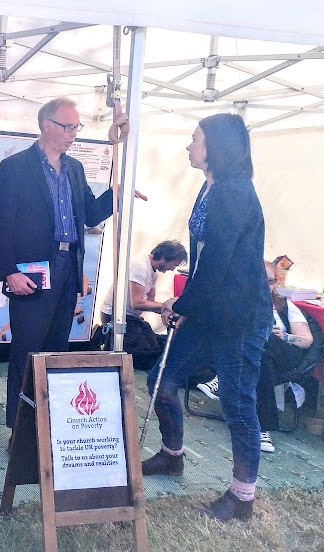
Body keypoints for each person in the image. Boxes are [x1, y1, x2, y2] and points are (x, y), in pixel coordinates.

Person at [141, 113, 273, 523]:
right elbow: (201, 262)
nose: (188, 145)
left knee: (237, 403)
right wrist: (187, 305)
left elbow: (215, 264)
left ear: (216, 145)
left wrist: (179, 305)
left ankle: (242, 498)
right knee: (161, 380)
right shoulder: (210, 185)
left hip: (238, 317)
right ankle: (173, 454)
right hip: (209, 309)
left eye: (195, 138)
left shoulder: (234, 192)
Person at [0, 97, 119, 430]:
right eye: (69, 126)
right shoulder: (15, 167)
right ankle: (20, 433)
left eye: (77, 126)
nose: (74, 132)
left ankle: (48, 433)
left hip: (67, 268)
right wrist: (8, 273)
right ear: (47, 125)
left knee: (56, 352)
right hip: (30, 273)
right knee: (27, 352)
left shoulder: (75, 169)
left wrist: (116, 194)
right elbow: (0, 226)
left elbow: (89, 214)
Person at [196, 260, 318, 453]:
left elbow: (307, 340)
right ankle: (263, 429)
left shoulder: (285, 305)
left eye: (271, 281)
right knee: (261, 362)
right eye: (262, 281)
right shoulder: (240, 302)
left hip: (286, 356)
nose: (267, 286)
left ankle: (222, 380)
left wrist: (285, 336)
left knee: (264, 338)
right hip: (259, 358)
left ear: (276, 282)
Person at [99, 240, 188, 370]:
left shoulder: (154, 271)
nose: (172, 269)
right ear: (164, 258)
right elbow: (137, 303)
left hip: (132, 317)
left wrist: (167, 311)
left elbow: (151, 301)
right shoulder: (139, 266)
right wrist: (169, 307)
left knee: (155, 345)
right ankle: (109, 340)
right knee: (144, 354)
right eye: (173, 265)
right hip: (116, 315)